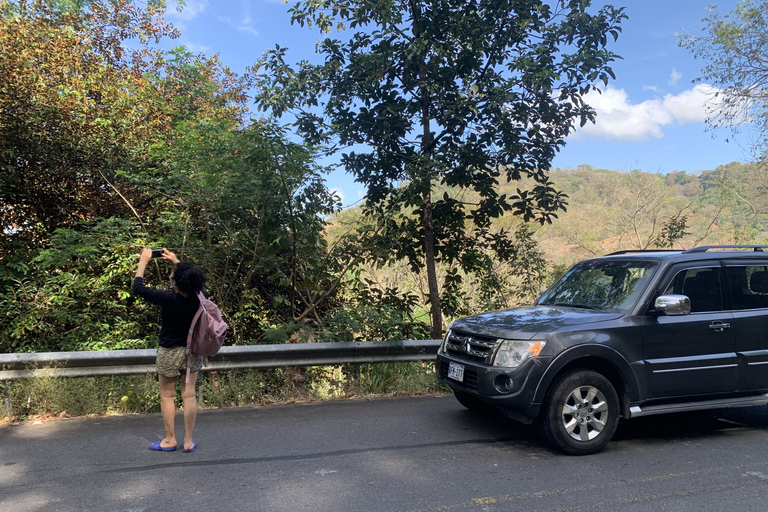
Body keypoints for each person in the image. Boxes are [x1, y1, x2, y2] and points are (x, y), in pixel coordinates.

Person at [133, 248, 205, 453]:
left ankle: (170, 439)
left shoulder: (167, 299)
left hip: (169, 351)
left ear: (175, 282)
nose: (170, 276)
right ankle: (188, 441)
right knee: (189, 395)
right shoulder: (199, 297)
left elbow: (138, 287)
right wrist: (175, 262)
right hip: (193, 351)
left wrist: (144, 261)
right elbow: (189, 278)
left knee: (167, 396)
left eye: (172, 275)